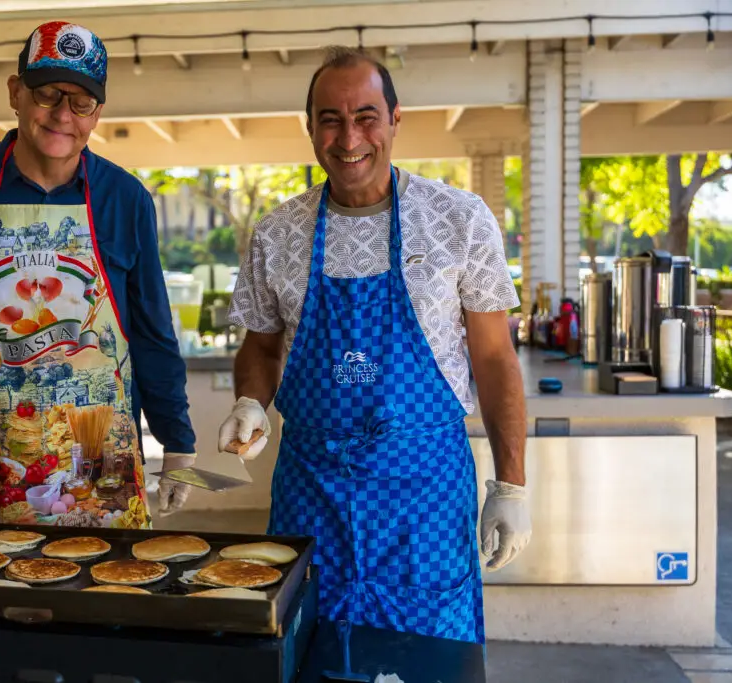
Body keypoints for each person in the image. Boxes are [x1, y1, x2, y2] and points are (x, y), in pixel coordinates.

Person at [219, 47, 531, 644]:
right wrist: (250, 402)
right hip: (312, 491)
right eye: (330, 119)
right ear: (310, 128)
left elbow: (494, 360)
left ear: (394, 121)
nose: (349, 136)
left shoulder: (458, 219)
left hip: (426, 498)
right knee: (310, 646)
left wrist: (511, 484)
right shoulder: (277, 233)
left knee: (428, 654)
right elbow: (261, 348)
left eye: (365, 116)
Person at [0, 21, 196, 526]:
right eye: (47, 95)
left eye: (81, 102)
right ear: (15, 93)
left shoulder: (126, 200)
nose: (63, 115)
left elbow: (152, 334)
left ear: (98, 113)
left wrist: (177, 443)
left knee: (104, 599)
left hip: (98, 474)